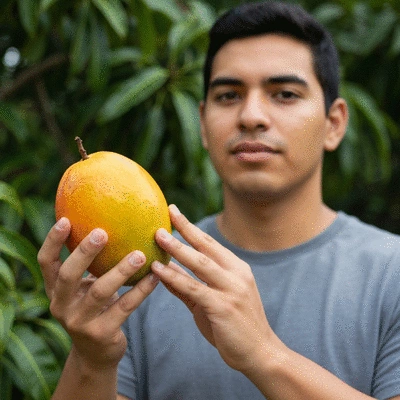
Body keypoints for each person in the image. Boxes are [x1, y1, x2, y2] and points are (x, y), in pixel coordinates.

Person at [37, 1, 400, 399]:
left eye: (284, 93)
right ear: (203, 124)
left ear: (334, 123)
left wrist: (264, 355)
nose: (251, 116)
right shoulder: (136, 271)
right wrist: (92, 358)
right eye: (229, 95)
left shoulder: (391, 272)